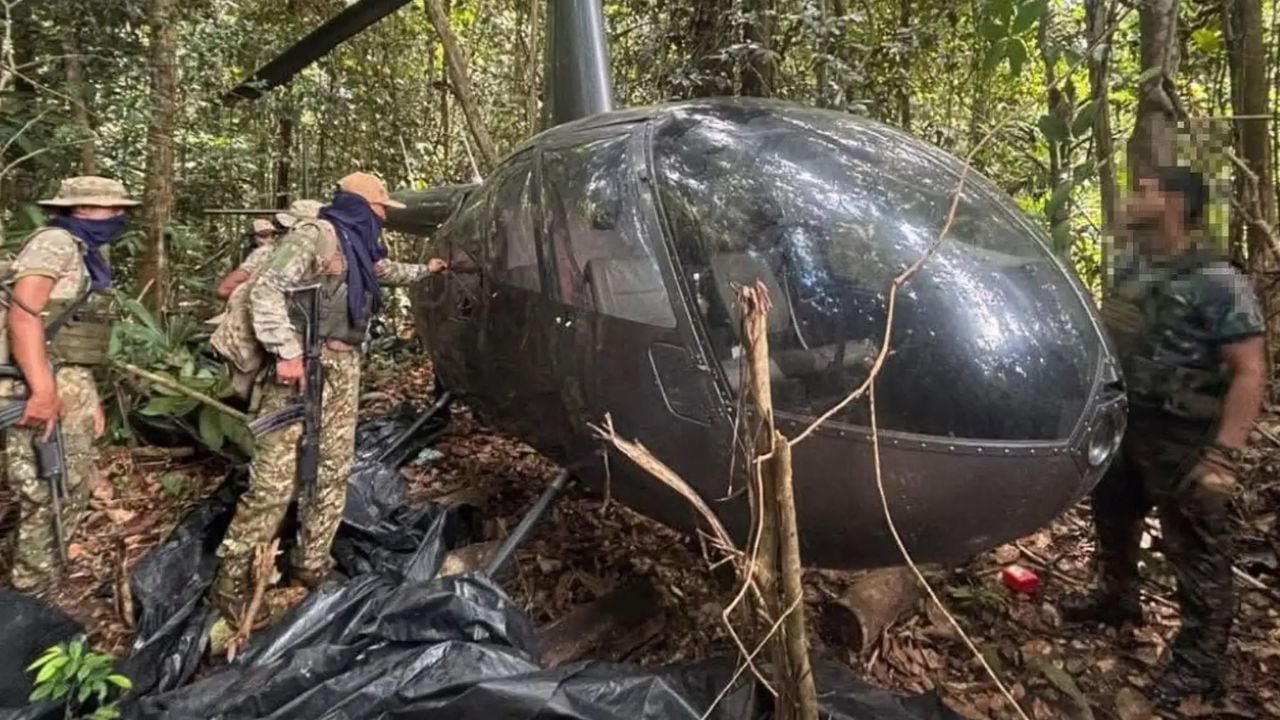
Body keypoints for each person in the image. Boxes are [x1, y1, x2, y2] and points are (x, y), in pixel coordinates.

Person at [1063, 166, 1267, 707]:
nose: (1133, 197)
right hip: (1129, 421)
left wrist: (1222, 457)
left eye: (1145, 190)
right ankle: (1117, 598)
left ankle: (1200, 664)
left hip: (1186, 437)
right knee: (1113, 516)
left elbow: (1250, 370)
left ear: (1176, 202)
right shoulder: (1133, 266)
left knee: (1196, 551)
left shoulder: (1218, 280)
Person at [211, 173, 446, 619]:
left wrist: (427, 270)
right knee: (273, 482)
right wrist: (286, 351)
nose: (382, 217)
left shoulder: (361, 245)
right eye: (379, 208)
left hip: (342, 367)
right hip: (300, 369)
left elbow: (384, 273)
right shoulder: (315, 235)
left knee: (332, 469)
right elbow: (266, 289)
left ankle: (311, 564)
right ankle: (230, 587)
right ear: (359, 206)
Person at [1, 176, 139, 595]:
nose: (119, 216)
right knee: (47, 490)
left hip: (65, 376)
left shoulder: (82, 251)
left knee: (68, 485)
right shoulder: (56, 243)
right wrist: (43, 391)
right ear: (81, 209)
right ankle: (30, 593)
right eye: (111, 208)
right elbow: (24, 315)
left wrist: (87, 395)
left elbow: (68, 334)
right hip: (36, 380)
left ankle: (41, 580)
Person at [210, 200, 324, 400]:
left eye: (271, 234)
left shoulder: (312, 259)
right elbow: (225, 289)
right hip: (250, 345)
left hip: (267, 343)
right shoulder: (271, 255)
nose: (269, 238)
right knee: (241, 400)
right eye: (263, 235)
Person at [215, 217, 279, 300]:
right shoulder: (240, 254)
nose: (270, 240)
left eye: (272, 235)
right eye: (263, 236)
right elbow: (223, 289)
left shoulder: (278, 251)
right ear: (253, 238)